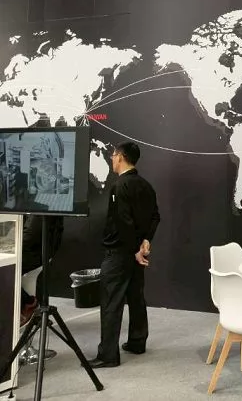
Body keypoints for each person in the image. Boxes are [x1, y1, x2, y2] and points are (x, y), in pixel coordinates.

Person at [89, 142, 160, 368]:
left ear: (120, 157)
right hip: (136, 252)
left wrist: (134, 251)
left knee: (111, 302)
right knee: (136, 297)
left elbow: (123, 222)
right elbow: (155, 216)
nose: (111, 159)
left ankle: (107, 355)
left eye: (113, 155)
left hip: (120, 253)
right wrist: (146, 241)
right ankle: (137, 342)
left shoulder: (119, 187)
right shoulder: (146, 186)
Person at [20, 214, 64, 325]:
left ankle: (28, 302)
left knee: (5, 267)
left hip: (35, 251)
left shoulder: (40, 205)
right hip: (29, 247)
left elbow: (31, 234)